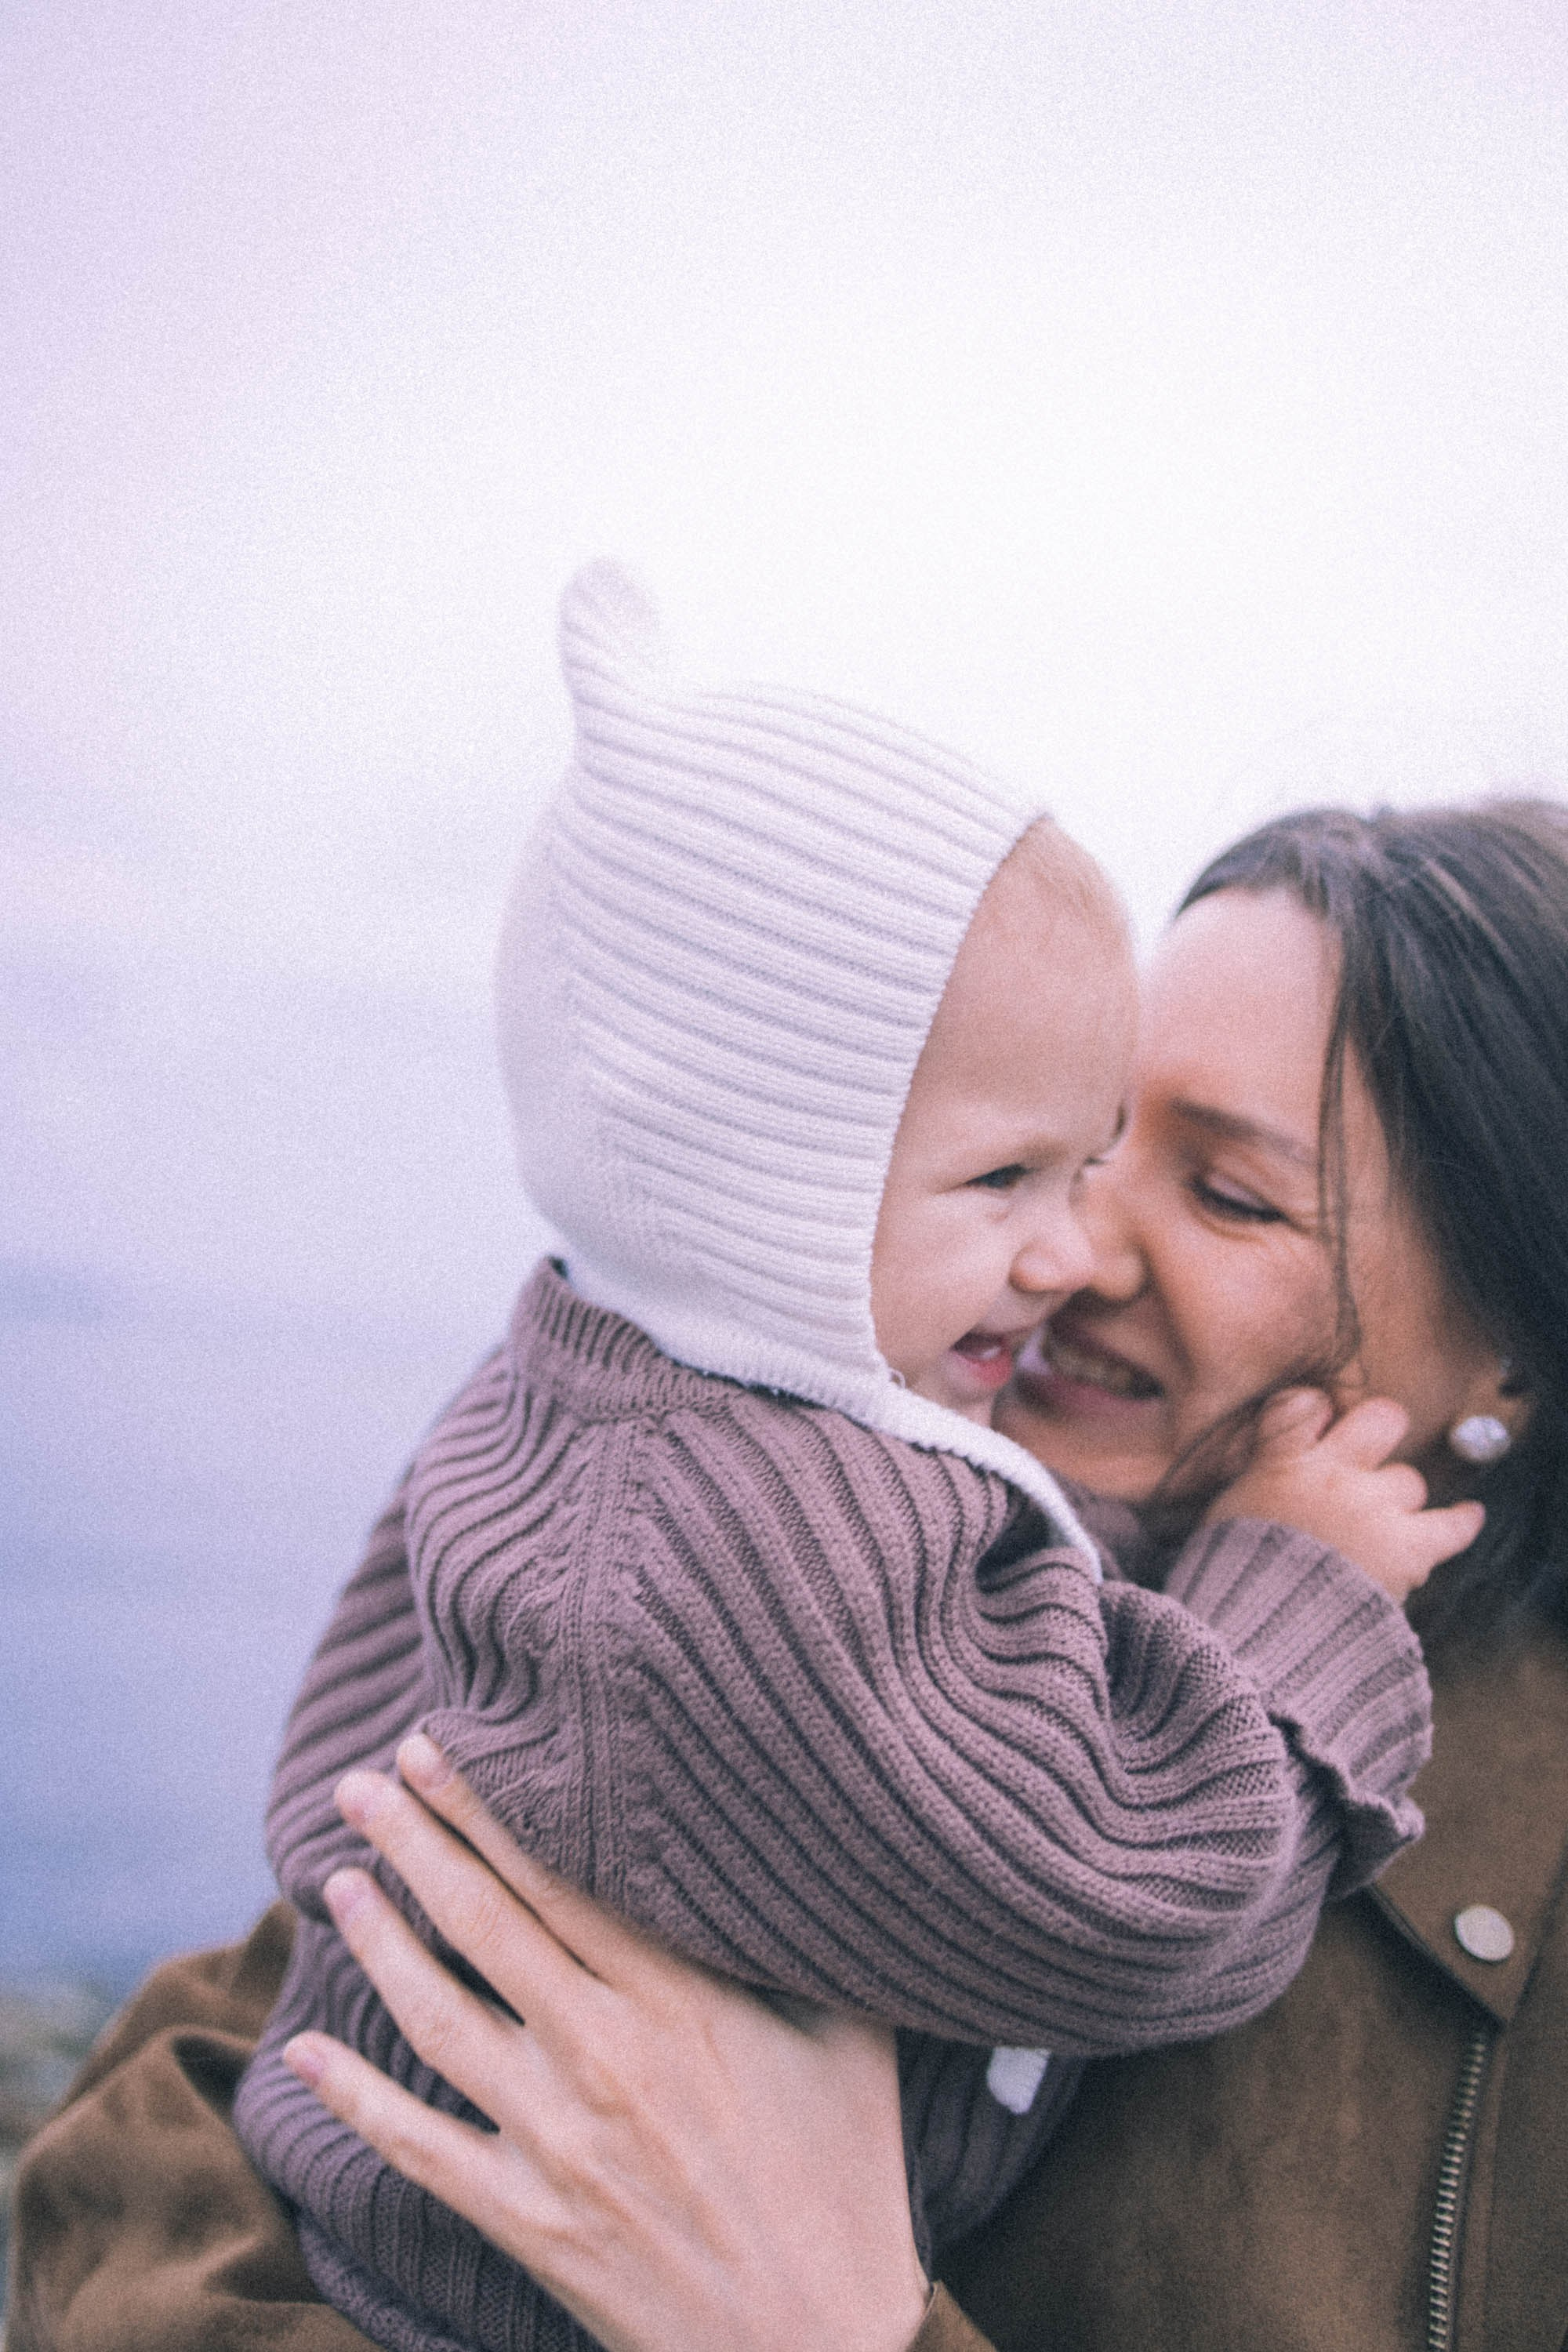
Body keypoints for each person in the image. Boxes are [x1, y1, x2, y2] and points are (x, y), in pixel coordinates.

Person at [13, 795, 1564, 2352]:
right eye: (1069, 1144)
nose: (1072, 1245)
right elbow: (189, 2115)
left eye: (1228, 1195)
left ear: (1512, 1351)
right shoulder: (817, 1536)